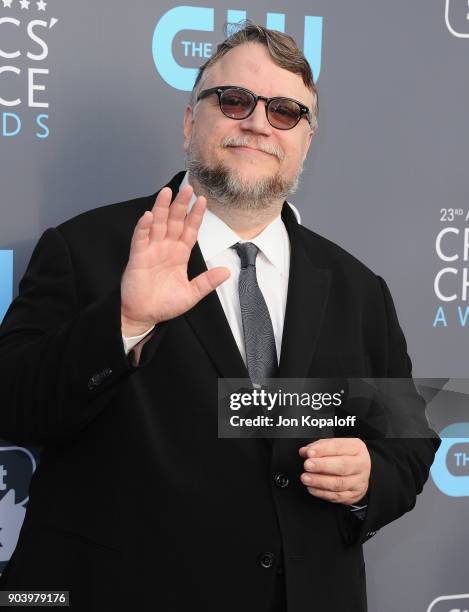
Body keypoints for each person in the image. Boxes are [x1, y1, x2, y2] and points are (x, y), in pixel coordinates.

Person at [0, 21, 440, 612]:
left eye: (286, 111)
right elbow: (15, 405)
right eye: (234, 100)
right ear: (189, 122)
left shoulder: (362, 291)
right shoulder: (87, 249)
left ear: (306, 141)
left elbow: (408, 441)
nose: (259, 122)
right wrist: (124, 321)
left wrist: (370, 479)